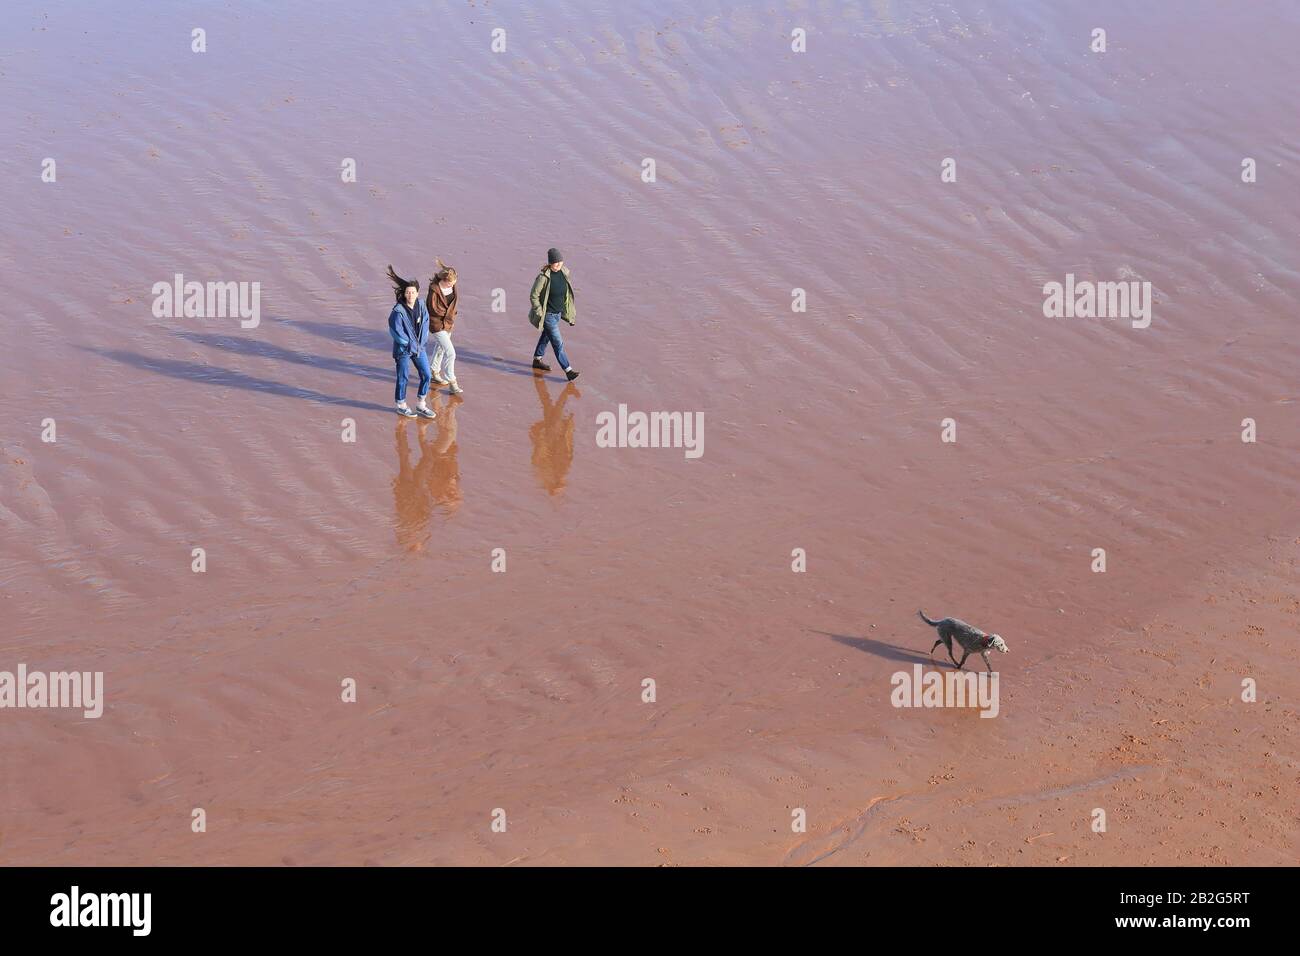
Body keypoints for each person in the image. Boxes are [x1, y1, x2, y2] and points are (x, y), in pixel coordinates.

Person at [386, 265, 434, 419]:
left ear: (417, 293)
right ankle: (401, 405)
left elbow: (426, 325)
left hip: (419, 348)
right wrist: (408, 344)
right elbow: (395, 332)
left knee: (427, 374)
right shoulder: (397, 311)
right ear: (404, 293)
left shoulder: (421, 305)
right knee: (403, 376)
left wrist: (421, 342)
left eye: (413, 292)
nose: (410, 294)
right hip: (403, 350)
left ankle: (421, 404)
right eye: (408, 292)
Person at [529, 247, 580, 381]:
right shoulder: (543, 277)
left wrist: (569, 313)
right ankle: (568, 370)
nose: (558, 265)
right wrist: (540, 313)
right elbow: (534, 295)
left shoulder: (564, 272)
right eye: (555, 263)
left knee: (546, 336)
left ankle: (537, 360)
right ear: (550, 262)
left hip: (557, 314)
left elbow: (568, 295)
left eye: (560, 262)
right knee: (558, 342)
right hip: (548, 316)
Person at [426, 257, 462, 395]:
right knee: (451, 353)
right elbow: (434, 310)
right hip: (437, 325)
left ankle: (434, 371)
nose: (452, 286)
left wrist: (452, 316)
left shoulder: (452, 285)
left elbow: (453, 303)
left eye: (454, 283)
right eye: (450, 284)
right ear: (444, 280)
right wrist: (449, 315)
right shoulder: (434, 290)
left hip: (449, 323)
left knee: (441, 348)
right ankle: (452, 382)